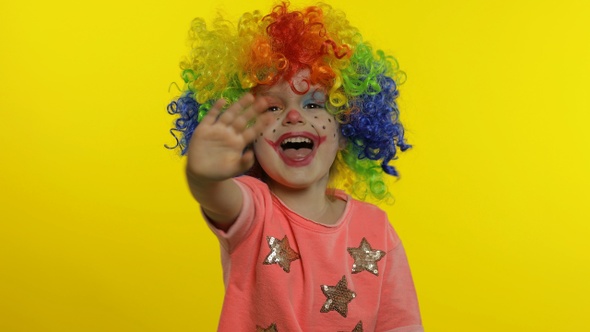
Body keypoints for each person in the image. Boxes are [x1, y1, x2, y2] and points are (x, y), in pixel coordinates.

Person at [167, 2, 423, 331]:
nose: (293, 115)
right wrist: (202, 175)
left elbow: (400, 323)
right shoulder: (253, 211)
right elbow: (216, 196)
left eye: (314, 103)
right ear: (250, 134)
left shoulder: (376, 228)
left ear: (347, 125)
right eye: (272, 106)